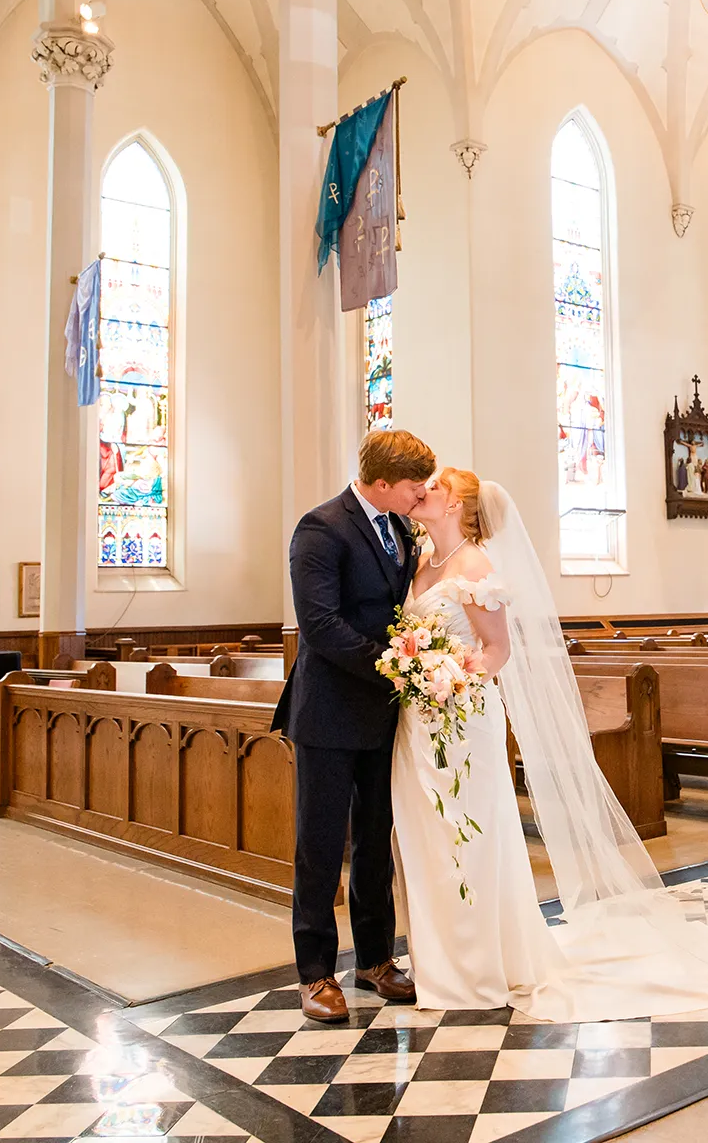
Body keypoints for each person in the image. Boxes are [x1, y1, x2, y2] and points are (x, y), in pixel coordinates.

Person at [391, 468, 708, 1021]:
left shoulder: (476, 567)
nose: (424, 489)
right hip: (417, 722)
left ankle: (480, 965)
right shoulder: (423, 558)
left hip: (461, 715)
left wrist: (452, 676)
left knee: (470, 833)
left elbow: (497, 650)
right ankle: (440, 962)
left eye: (435, 486)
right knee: (426, 835)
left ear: (456, 506)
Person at [273, 429, 437, 1023]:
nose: (422, 494)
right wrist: (398, 667)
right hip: (329, 711)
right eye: (414, 485)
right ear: (382, 483)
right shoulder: (321, 529)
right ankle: (315, 973)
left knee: (375, 844)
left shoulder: (398, 528)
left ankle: (373, 960)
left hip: (385, 713)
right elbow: (320, 626)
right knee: (319, 845)